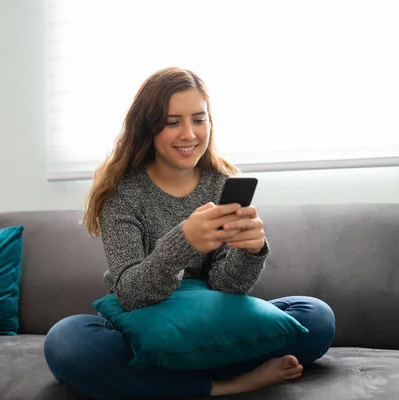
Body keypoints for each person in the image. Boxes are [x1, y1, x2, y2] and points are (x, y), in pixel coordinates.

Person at [43, 67, 335, 399]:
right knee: (66, 341)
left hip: (208, 322)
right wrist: (183, 243)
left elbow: (228, 287)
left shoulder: (222, 182)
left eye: (199, 119)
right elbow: (132, 296)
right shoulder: (122, 195)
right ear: (148, 127)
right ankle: (228, 383)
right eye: (172, 122)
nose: (189, 134)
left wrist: (250, 251)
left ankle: (164, 382)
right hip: (146, 323)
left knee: (316, 316)